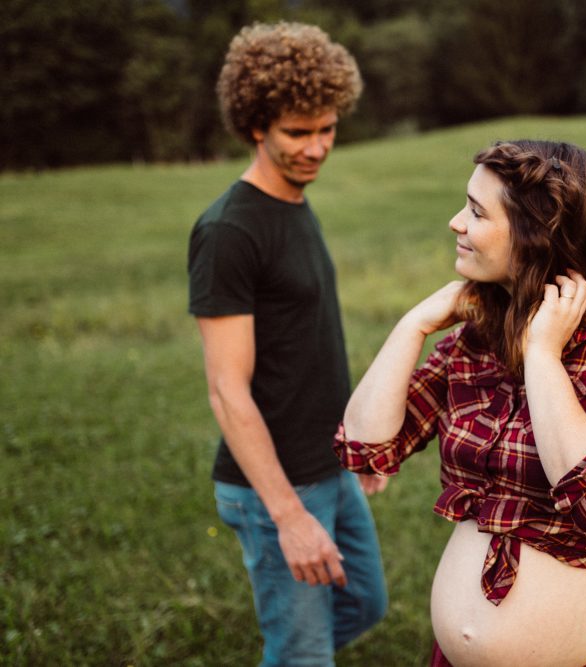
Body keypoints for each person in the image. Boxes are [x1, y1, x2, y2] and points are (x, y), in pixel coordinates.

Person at [335, 140, 586, 666]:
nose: (456, 222)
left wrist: (541, 354)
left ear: (536, 236)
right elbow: (366, 449)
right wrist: (415, 326)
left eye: (475, 212)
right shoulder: (473, 341)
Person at [187, 22, 387, 666]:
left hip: (328, 465)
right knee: (302, 654)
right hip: (275, 486)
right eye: (297, 134)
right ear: (254, 124)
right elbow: (226, 389)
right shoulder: (229, 231)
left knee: (366, 604)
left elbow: (310, 349)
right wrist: (289, 516)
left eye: (326, 129)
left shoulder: (297, 204)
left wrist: (359, 440)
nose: (316, 148)